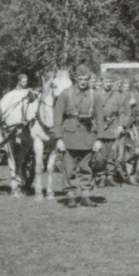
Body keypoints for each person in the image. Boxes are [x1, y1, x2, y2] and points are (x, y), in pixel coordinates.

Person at [54, 65, 103, 207]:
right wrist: (58, 139)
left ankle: (86, 195)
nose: (83, 82)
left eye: (86, 79)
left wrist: (99, 139)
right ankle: (70, 195)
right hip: (69, 136)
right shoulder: (65, 94)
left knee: (86, 167)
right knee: (68, 168)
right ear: (76, 79)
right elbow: (57, 117)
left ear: (89, 79)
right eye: (80, 79)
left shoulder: (95, 95)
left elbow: (100, 118)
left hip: (88, 136)